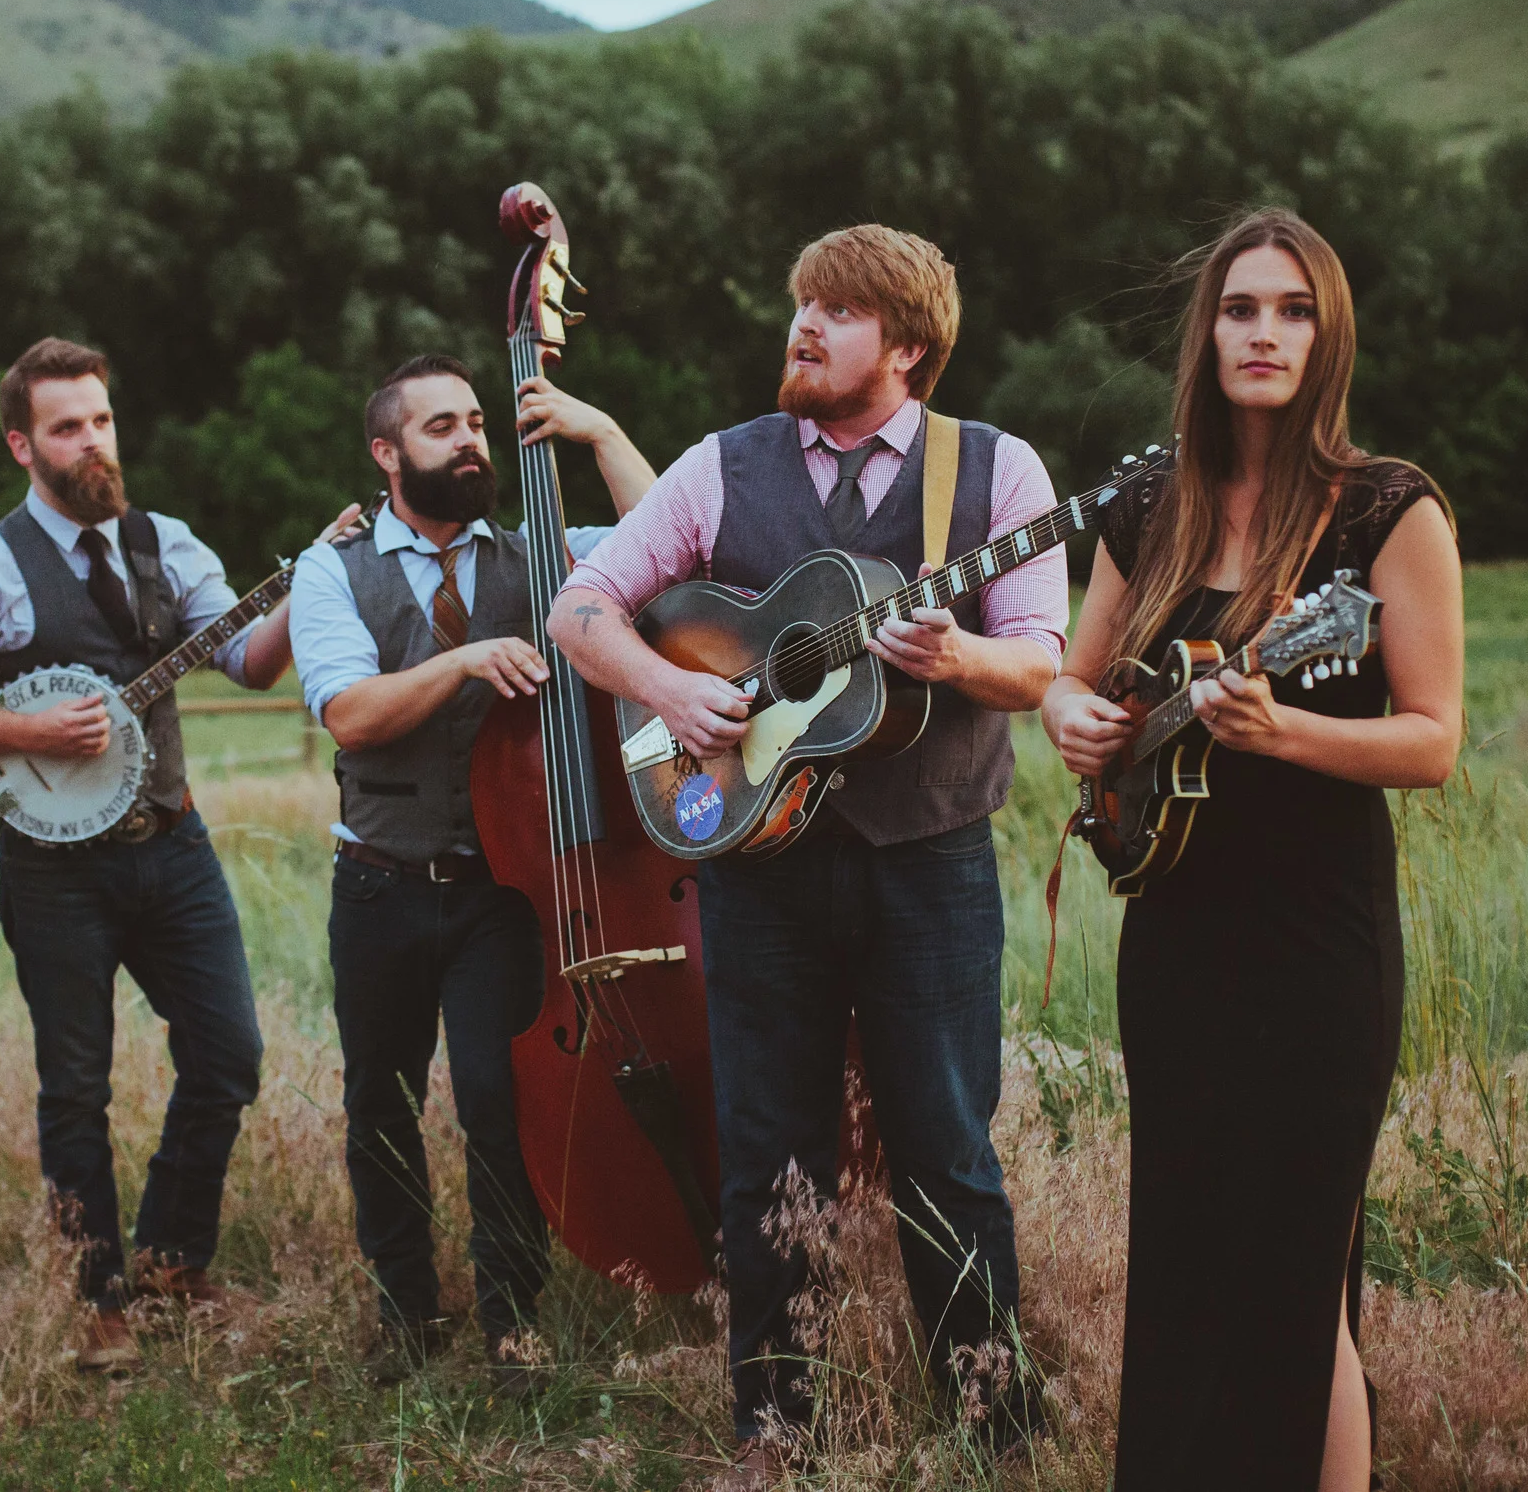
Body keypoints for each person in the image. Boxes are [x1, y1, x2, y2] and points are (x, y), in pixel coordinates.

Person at [546, 227, 1069, 1482]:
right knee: (767, 1143)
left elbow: (1041, 657)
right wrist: (669, 696)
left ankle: (991, 1422)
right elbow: (581, 609)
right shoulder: (720, 466)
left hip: (929, 859)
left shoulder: (994, 471)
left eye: (837, 310)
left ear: (907, 346)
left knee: (946, 1141)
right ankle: (773, 1432)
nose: (804, 325)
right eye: (802, 304)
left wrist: (956, 658)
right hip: (754, 865)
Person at [1040, 208, 1462, 1492]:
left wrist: (1279, 734)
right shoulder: (1148, 502)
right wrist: (1069, 714)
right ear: (1205, 331)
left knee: (1296, 1276)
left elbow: (1432, 740)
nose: (1262, 332)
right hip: (1175, 933)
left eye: (1290, 310)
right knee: (1187, 1261)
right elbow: (1070, 682)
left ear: (1325, 335)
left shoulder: (1386, 509)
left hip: (1317, 943)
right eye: (1239, 308)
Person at [0, 337, 361, 1370]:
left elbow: (243, 658)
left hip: (172, 842)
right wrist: (33, 735)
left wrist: (309, 586)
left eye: (100, 418)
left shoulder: (165, 542)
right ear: (22, 443)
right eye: (66, 425)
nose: (91, 440)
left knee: (229, 1054)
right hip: (56, 869)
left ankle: (172, 1257)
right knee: (76, 1083)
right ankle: (97, 1295)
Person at [287, 354, 655, 1395]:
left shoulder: (543, 552)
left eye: (477, 421)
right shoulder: (331, 569)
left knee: (502, 1100)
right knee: (381, 1105)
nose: (470, 441)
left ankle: (512, 1323)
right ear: (385, 451)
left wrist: (596, 430)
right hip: (379, 883)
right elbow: (348, 712)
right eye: (441, 426)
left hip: (503, 891)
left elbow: (671, 543)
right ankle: (405, 1312)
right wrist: (460, 659)